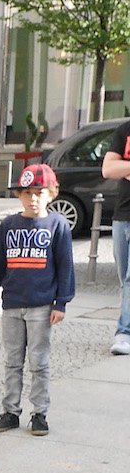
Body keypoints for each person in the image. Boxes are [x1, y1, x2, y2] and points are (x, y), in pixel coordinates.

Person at [0, 162, 74, 437]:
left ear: (52, 193)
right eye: (26, 193)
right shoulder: (8, 226)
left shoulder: (57, 225)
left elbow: (65, 267)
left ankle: (39, 413)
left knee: (39, 361)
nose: (33, 198)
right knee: (12, 360)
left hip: (41, 305)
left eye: (39, 192)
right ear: (18, 195)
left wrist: (61, 302)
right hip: (12, 304)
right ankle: (11, 411)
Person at [101, 116, 130, 357]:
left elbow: (117, 167)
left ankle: (124, 333)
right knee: (124, 280)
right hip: (123, 214)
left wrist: (125, 167)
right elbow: (108, 168)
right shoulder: (125, 130)